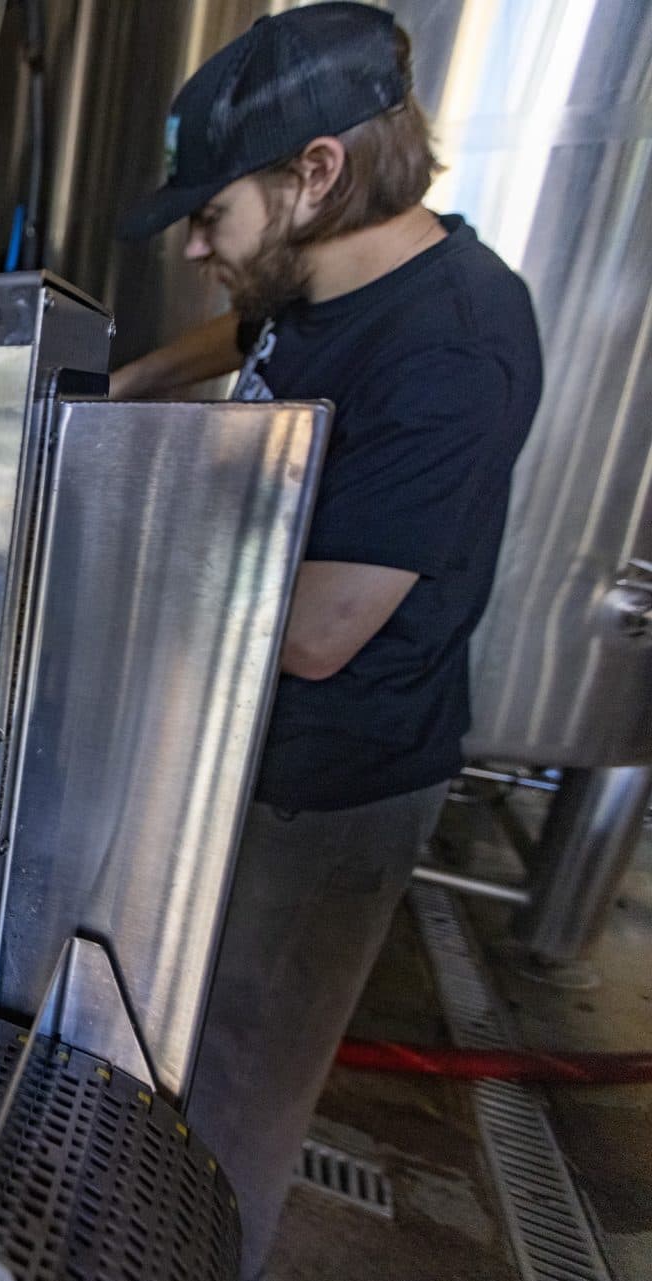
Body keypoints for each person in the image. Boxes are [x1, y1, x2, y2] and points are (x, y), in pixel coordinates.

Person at [111, 4, 541, 1276]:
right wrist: (123, 390)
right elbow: (253, 335)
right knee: (160, 1038)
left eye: (213, 215)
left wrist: (116, 526)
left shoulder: (454, 340)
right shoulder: (321, 278)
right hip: (229, 748)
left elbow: (316, 635)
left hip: (329, 788)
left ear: (318, 173)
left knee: (239, 1085)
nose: (196, 244)